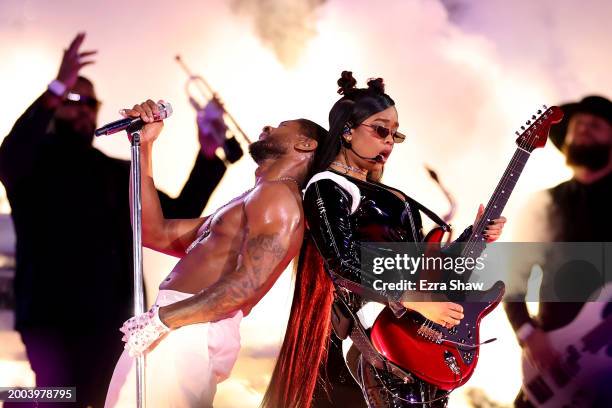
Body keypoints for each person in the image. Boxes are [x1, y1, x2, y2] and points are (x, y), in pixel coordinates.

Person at [0, 33, 232, 408]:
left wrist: (207, 155)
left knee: (110, 399)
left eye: (91, 103)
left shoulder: (114, 171)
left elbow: (175, 215)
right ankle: (15, 402)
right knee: (58, 398)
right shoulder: (31, 166)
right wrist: (57, 86)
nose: (83, 109)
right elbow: (9, 152)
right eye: (73, 100)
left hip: (113, 317)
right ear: (56, 104)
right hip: (50, 317)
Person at [263, 71, 507, 408]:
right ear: (347, 130)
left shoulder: (384, 191)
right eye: (380, 130)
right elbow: (342, 262)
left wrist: (474, 236)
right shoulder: (327, 185)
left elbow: (426, 266)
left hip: (418, 336)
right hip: (378, 339)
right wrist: (415, 300)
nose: (389, 142)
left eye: (395, 134)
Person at [104, 99, 328, 407]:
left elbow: (245, 286)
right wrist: (143, 147)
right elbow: (150, 230)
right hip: (174, 324)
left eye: (282, 126)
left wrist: (163, 320)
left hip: (188, 328)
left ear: (305, 145)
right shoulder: (251, 199)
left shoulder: (278, 195)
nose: (268, 128)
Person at [504, 95, 612, 407]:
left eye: (595, 125)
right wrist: (528, 333)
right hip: (554, 364)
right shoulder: (544, 204)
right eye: (577, 125)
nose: (582, 130)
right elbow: (512, 281)